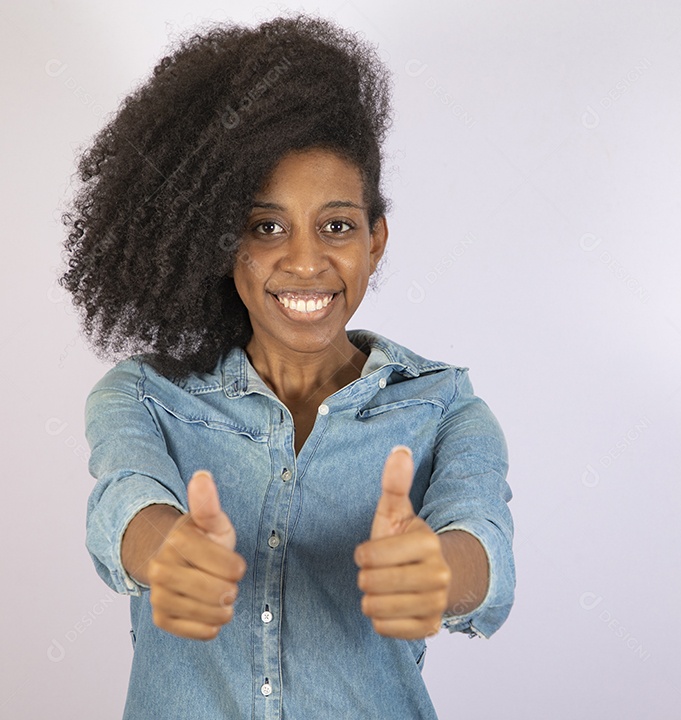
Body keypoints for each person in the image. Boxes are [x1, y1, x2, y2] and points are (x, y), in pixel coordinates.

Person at [59, 13, 515, 719]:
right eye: (266, 226)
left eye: (336, 225)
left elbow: (484, 546)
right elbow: (124, 498)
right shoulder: (146, 398)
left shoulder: (443, 406)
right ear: (219, 241)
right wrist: (165, 550)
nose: (305, 261)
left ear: (376, 238)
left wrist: (438, 573)